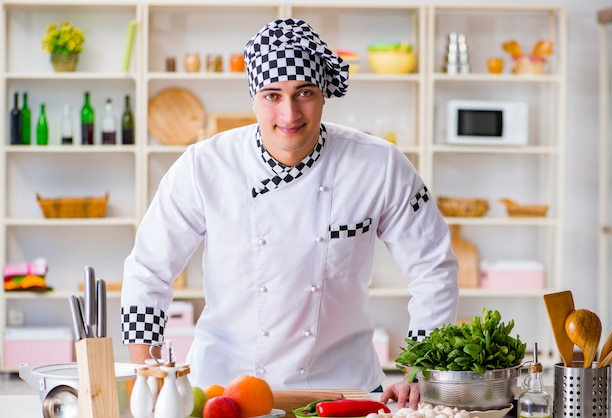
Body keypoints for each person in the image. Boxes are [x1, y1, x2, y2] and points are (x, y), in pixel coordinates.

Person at [120, 18, 458, 409]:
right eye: (272, 95)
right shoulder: (204, 166)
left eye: (304, 93)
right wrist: (148, 374)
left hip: (344, 390)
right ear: (253, 98)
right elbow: (148, 269)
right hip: (223, 392)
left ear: (324, 95)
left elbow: (434, 267)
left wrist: (420, 366)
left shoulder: (379, 165)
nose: (290, 112)